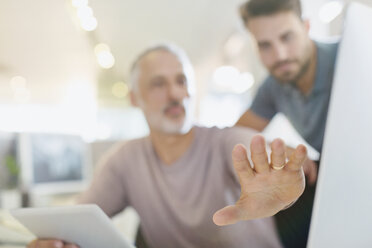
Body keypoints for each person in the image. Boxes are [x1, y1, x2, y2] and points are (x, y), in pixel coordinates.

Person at [27, 44, 307, 248]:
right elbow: (76, 221)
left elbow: (259, 154)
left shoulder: (225, 141)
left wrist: (278, 172)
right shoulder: (125, 161)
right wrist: (53, 239)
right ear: (135, 98)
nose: (175, 94)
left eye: (181, 81)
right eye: (159, 84)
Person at [237, 0, 338, 247]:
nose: (279, 55)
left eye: (287, 37)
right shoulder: (273, 86)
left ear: (306, 27)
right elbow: (236, 134)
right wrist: (277, 151)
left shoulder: (349, 56)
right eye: (265, 46)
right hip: (329, 179)